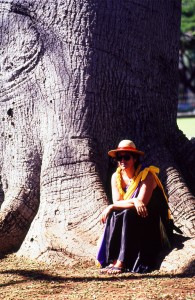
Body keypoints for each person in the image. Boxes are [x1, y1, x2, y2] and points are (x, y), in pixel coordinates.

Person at [97, 140, 173, 274]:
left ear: (135, 158)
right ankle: (113, 260)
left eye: (126, 157)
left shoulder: (147, 176)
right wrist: (115, 206)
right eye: (119, 157)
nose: (122, 160)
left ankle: (121, 262)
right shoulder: (116, 177)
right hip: (133, 219)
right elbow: (117, 202)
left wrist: (135, 202)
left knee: (127, 213)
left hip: (151, 222)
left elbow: (142, 202)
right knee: (115, 213)